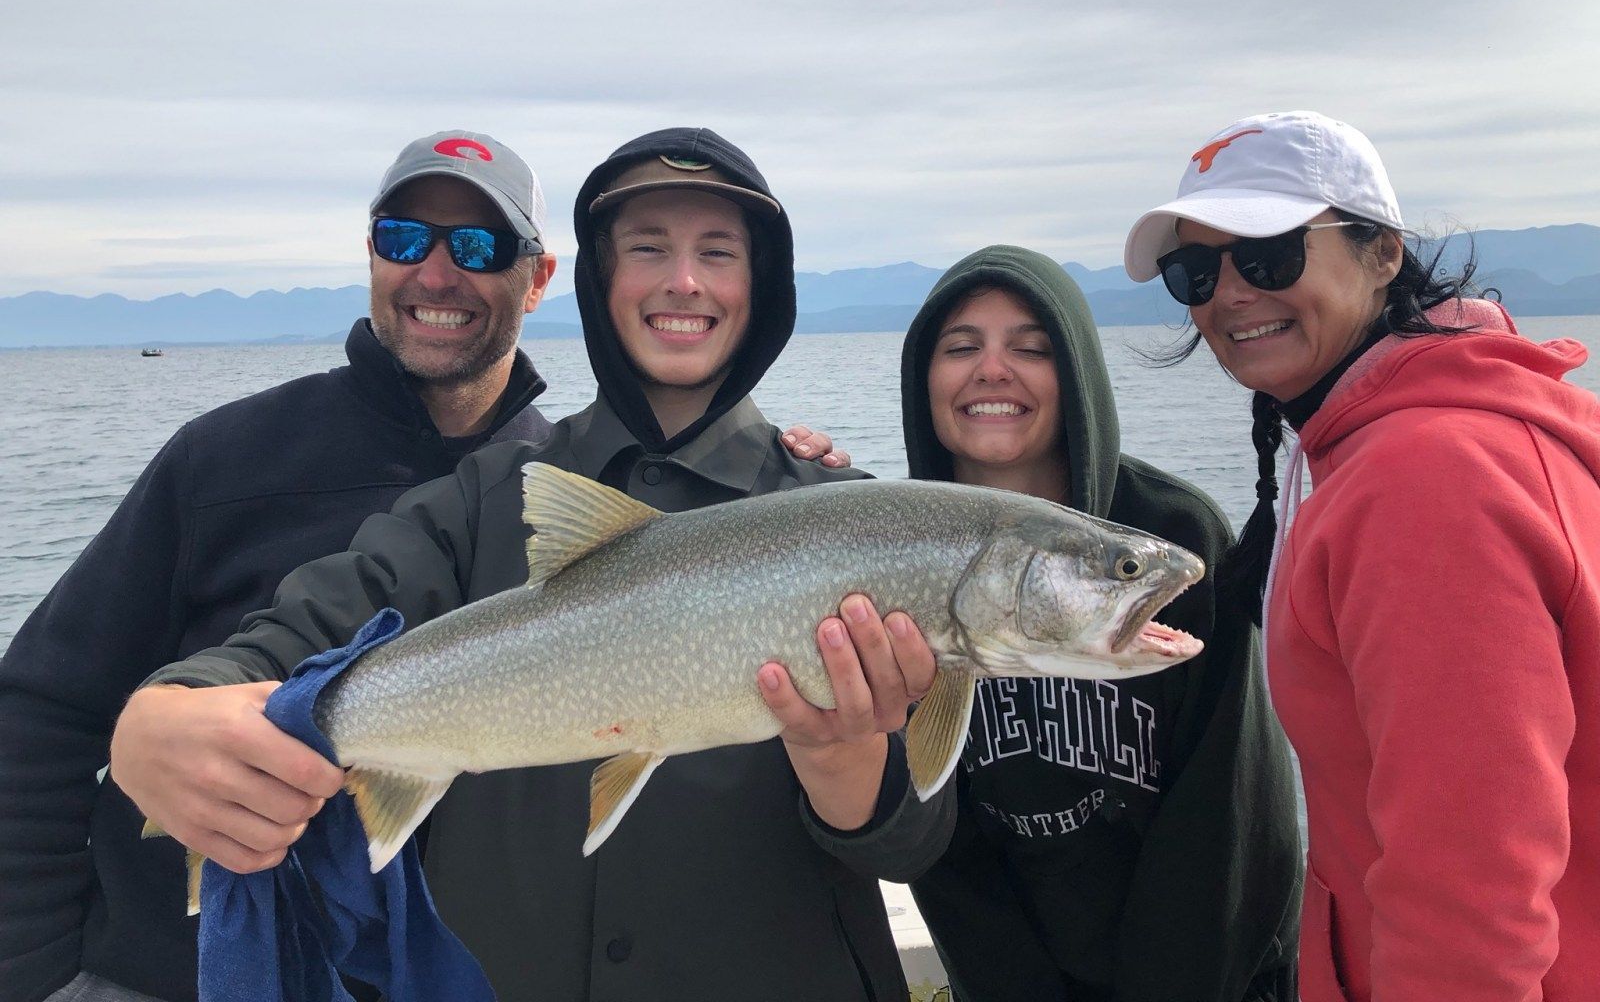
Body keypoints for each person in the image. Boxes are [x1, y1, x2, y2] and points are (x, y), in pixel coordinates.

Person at [0, 127, 850, 1002]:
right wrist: (38, 970)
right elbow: (46, 706)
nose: (438, 274)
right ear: (371, 250)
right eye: (407, 238)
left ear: (542, 277)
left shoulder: (545, 487)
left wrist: (810, 497)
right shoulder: (226, 459)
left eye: (479, 245)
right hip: (160, 972)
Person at [1122, 109, 1600, 1001]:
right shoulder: (1423, 437)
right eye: (1195, 271)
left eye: (1269, 254)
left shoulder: (1425, 479)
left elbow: (1471, 886)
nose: (1227, 295)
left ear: (1382, 252)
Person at [899, 245, 1303, 1001]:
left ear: (1078, 375)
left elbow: (1233, 817)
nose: (992, 369)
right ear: (924, 379)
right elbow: (939, 842)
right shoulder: (893, 561)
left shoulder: (1169, 542)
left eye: (1032, 347)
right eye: (961, 348)